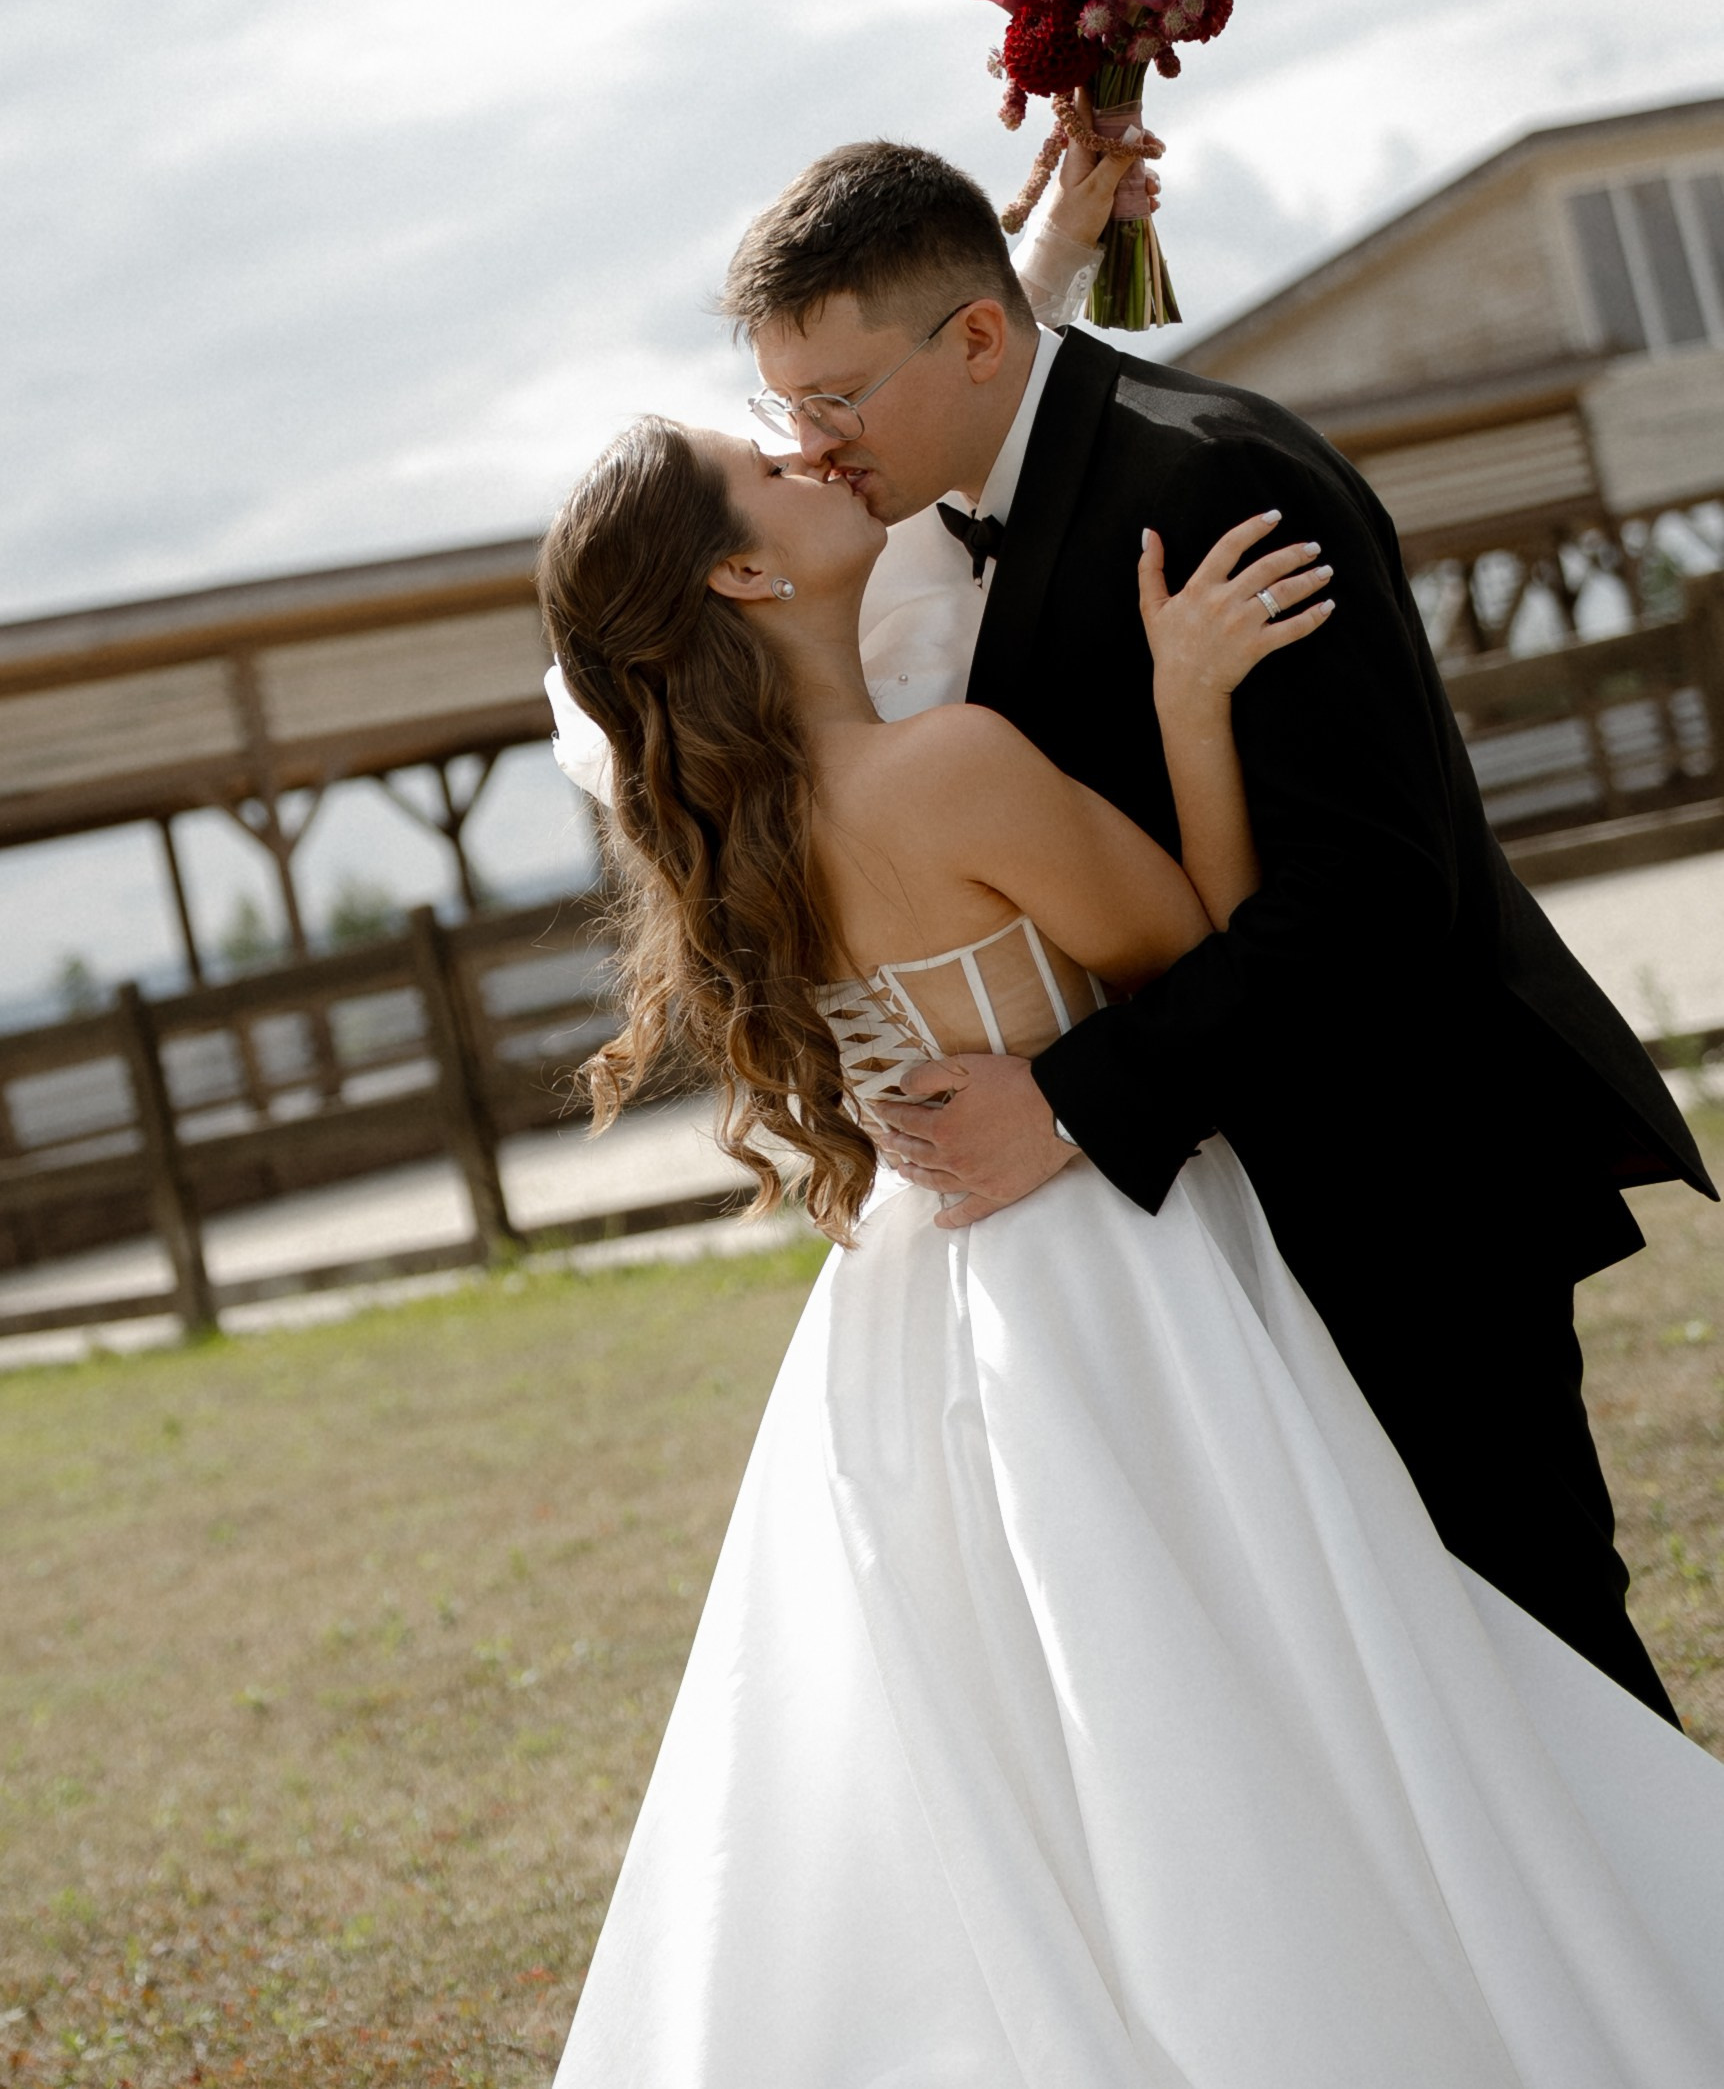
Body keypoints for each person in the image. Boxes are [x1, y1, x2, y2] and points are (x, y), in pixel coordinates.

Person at [537, 407, 1724, 2085]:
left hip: (922, 1297)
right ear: (741, 569)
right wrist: (1186, 699)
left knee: (1049, 1736)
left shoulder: (740, 839)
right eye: (777, 468)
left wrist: (1051, 229)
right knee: (1288, 1677)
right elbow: (1193, 949)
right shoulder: (940, 769)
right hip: (1119, 1261)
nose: (823, 460)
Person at [718, 138, 1711, 1721]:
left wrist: (1066, 1102)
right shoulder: (944, 501)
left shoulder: (1213, 480)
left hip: (1405, 1171)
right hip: (1238, 1217)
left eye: (836, 401)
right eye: (790, 411)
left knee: (1541, 1658)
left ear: (976, 341)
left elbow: (1374, 898)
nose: (813, 448)